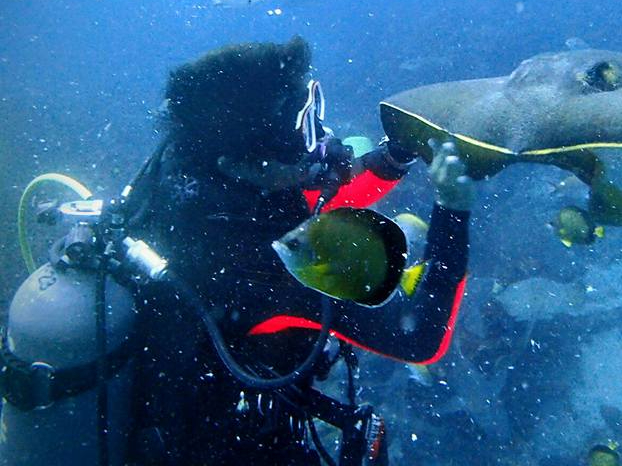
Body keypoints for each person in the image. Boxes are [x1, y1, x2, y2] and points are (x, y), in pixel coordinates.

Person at [120, 36, 474, 465]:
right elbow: (419, 339)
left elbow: (312, 206)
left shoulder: (193, 179)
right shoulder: (259, 269)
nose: (321, 140)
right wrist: (452, 209)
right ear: (252, 159)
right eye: (303, 125)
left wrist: (395, 155)